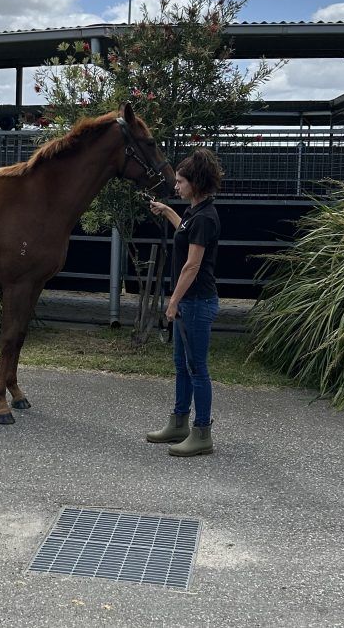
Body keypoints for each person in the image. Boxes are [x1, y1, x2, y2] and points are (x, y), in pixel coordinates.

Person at [144, 148, 223, 457]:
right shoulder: (194, 212)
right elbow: (184, 231)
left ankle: (202, 432)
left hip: (196, 304)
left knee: (197, 368)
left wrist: (173, 301)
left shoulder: (205, 217)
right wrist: (166, 210)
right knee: (181, 365)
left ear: (195, 183)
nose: (175, 187)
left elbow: (192, 265)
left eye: (179, 182)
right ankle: (179, 423)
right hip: (189, 303)